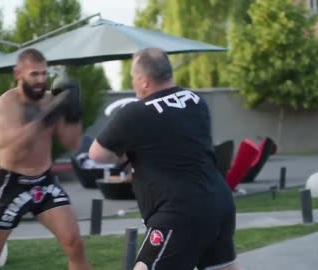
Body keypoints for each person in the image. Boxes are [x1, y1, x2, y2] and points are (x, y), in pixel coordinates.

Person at [89, 48, 239, 270]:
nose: (133, 83)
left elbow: (97, 154)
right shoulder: (196, 101)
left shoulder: (135, 113)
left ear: (144, 81)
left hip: (179, 213)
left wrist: (123, 153)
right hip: (220, 202)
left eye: (133, 78)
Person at [0, 48, 91, 270]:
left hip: (44, 181)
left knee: (74, 244)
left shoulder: (50, 100)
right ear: (18, 73)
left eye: (44, 74)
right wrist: (46, 116)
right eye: (34, 74)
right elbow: (14, 147)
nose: (41, 80)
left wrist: (73, 114)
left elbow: (72, 143)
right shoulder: (5, 104)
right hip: (11, 183)